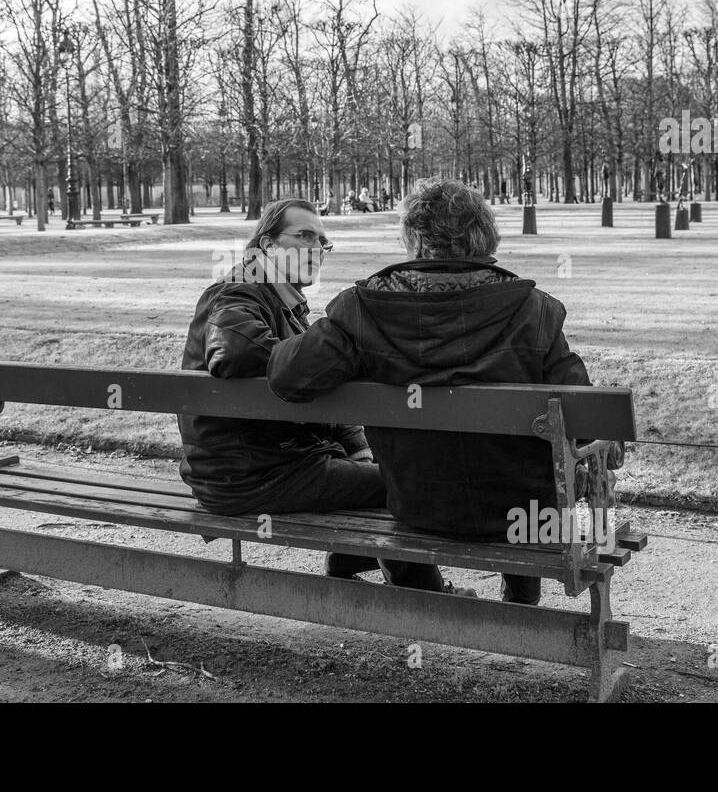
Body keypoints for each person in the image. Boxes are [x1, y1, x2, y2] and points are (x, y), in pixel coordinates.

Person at [266, 178, 621, 605]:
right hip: (523, 515)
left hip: (417, 505)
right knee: (524, 460)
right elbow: (584, 424)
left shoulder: (359, 309)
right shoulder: (536, 310)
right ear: (484, 236)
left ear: (414, 239)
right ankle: (520, 602)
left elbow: (289, 378)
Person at [177, 198, 444, 590]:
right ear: (266, 247)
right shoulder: (237, 292)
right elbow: (232, 351)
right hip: (253, 476)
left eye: (322, 241)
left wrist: (355, 442)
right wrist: (322, 356)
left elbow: (305, 384)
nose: (316, 248)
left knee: (390, 472)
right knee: (406, 486)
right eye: (304, 236)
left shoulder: (281, 302)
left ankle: (348, 562)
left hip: (262, 466)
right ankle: (424, 596)